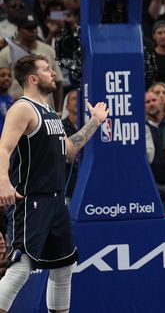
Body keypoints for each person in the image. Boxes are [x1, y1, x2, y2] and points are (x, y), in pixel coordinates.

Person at [0, 54, 109, 312]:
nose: (53, 73)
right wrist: (3, 182)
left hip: (56, 200)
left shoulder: (49, 111)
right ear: (33, 78)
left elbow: (69, 150)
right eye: (47, 69)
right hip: (32, 200)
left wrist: (95, 122)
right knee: (20, 269)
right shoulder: (22, 108)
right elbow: (3, 148)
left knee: (63, 268)